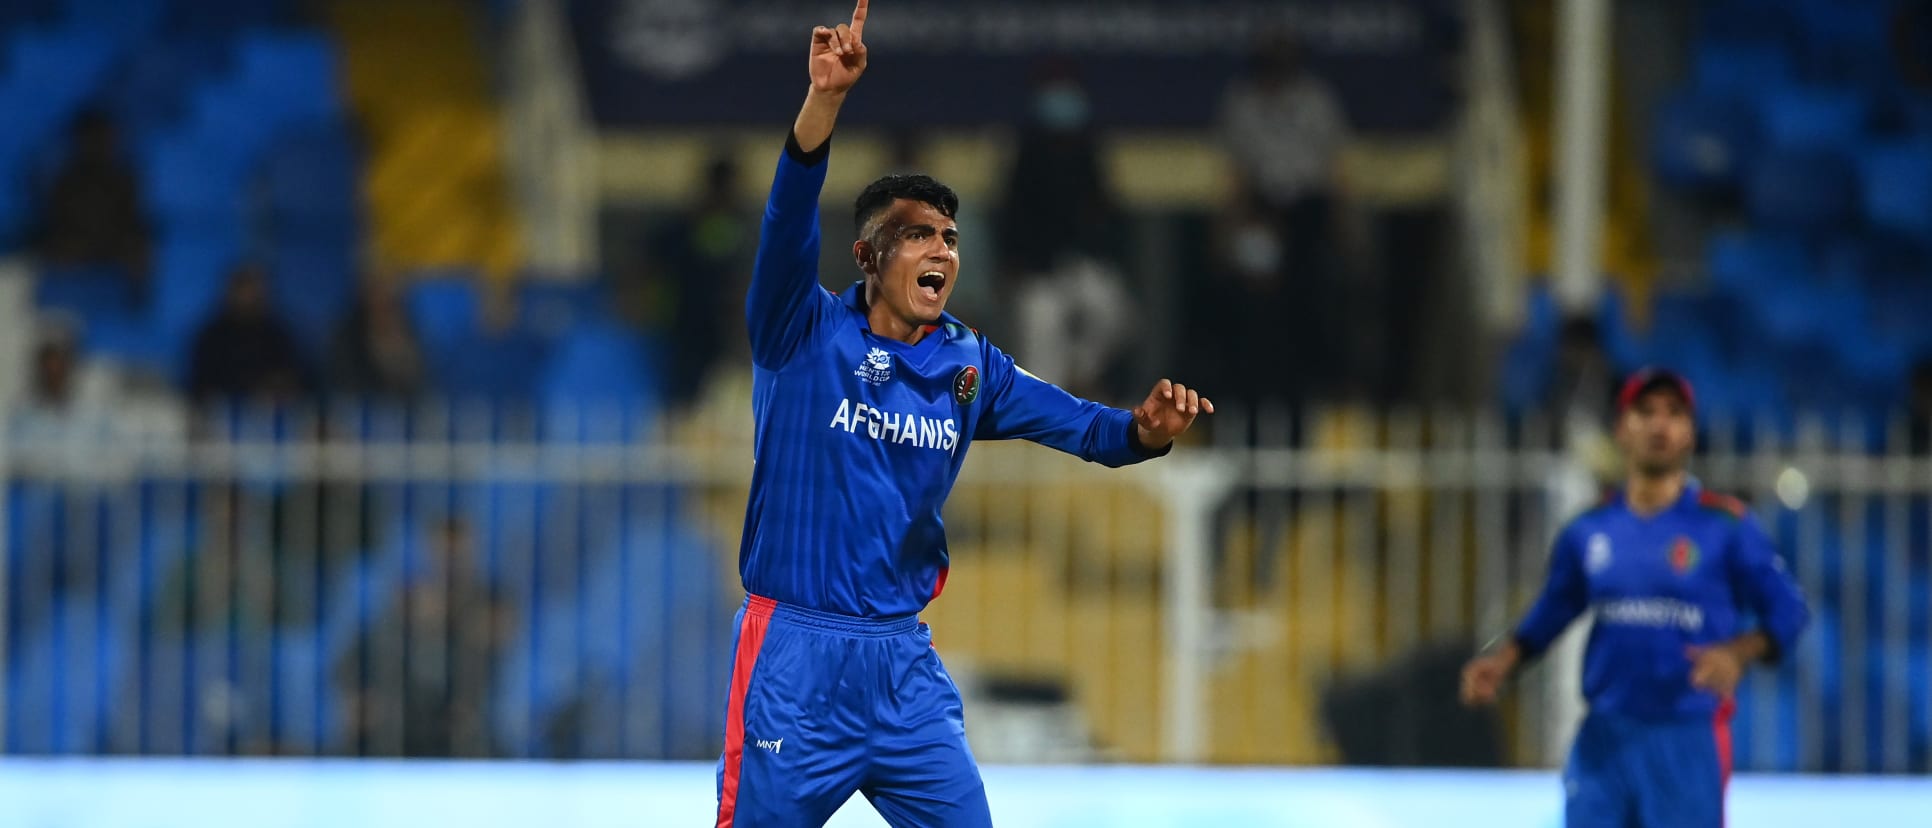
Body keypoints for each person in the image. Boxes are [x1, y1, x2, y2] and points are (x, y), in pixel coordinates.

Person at [715, 3, 1212, 825]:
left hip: (902, 670)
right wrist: (825, 103)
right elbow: (786, 218)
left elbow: (1086, 429)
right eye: (915, 235)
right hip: (793, 660)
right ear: (868, 257)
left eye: (949, 235)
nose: (941, 249)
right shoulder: (798, 331)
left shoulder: (969, 365)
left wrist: (1143, 432)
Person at [1460, 368, 1810, 828]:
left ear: (1689, 433)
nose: (1660, 426)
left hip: (1685, 738)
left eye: (1674, 414)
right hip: (1606, 737)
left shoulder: (1725, 525)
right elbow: (1554, 609)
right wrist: (1502, 662)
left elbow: (1789, 611)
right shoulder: (1589, 530)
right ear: (1622, 429)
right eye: (1645, 412)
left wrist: (1737, 652)